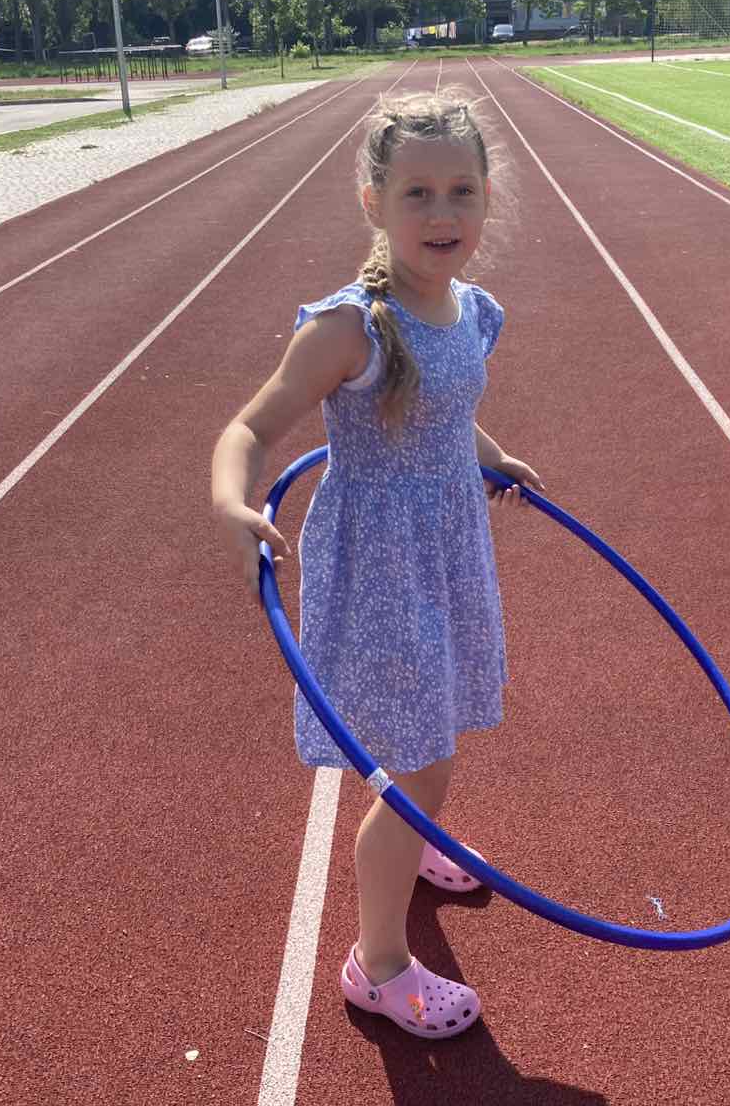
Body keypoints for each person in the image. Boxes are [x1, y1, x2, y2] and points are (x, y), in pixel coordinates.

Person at [210, 90, 541, 1039]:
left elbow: (447, 408)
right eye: (417, 193)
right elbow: (249, 428)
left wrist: (491, 457)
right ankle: (378, 966)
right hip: (382, 569)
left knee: (436, 733)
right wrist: (233, 502)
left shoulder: (471, 310)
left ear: (486, 199)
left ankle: (417, 848)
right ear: (374, 202)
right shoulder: (349, 328)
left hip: (449, 553)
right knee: (417, 765)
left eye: (462, 191)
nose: (442, 213)